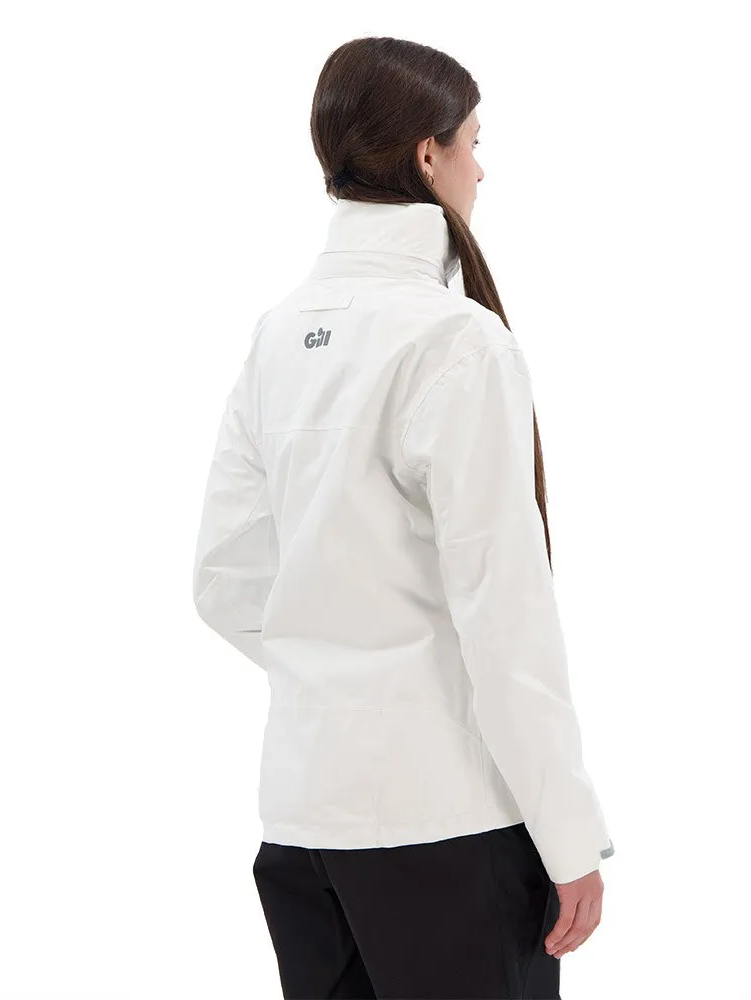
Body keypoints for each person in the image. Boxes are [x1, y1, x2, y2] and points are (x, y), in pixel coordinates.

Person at [191, 34, 615, 1000]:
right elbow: (505, 617)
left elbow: (224, 580)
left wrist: (338, 667)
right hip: (447, 828)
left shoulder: (278, 335)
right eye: (473, 142)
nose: (481, 168)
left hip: (302, 820)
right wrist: (570, 837)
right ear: (428, 154)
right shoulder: (456, 342)